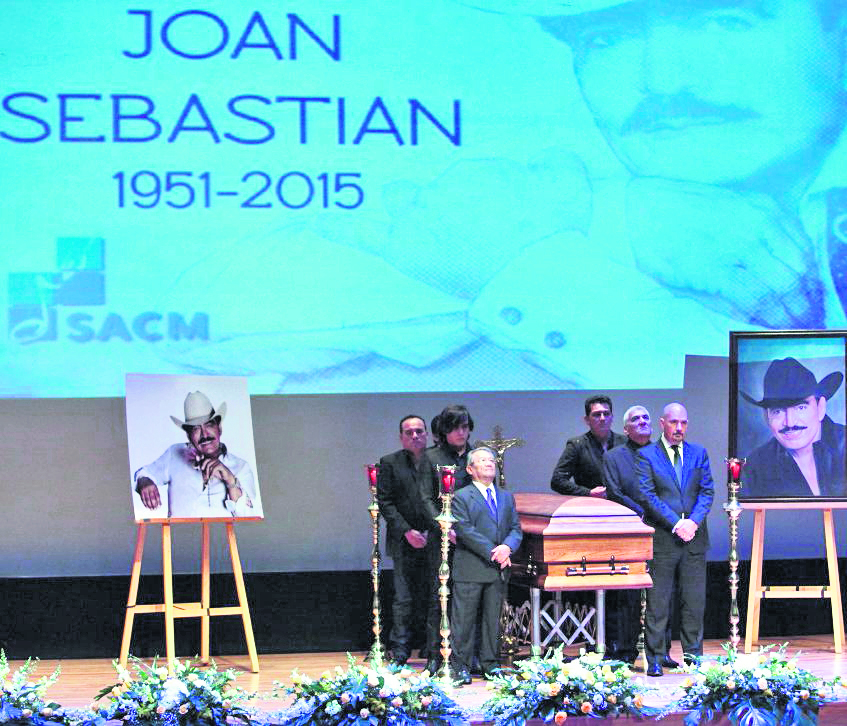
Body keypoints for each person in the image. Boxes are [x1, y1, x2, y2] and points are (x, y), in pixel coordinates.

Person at [636, 402, 713, 677]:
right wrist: (676, 522)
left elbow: (707, 492)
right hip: (664, 538)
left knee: (694, 602)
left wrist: (692, 522)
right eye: (673, 423)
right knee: (658, 602)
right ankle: (655, 658)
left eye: (683, 423)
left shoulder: (699, 453)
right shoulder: (647, 456)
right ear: (662, 423)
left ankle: (694, 657)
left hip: (694, 537)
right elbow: (648, 496)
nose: (679, 428)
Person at [449, 447, 523, 685]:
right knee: (464, 620)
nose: (489, 463)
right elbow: (465, 530)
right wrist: (496, 552)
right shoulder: (461, 496)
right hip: (471, 566)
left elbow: (515, 529)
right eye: (482, 460)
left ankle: (490, 664)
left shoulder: (506, 496)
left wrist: (508, 548)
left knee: (493, 620)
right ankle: (460, 666)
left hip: (497, 569)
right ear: (470, 469)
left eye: (491, 460)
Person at [134, 391, 259, 518]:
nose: (204, 435)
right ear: (188, 435)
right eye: (195, 429)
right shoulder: (174, 454)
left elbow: (248, 516)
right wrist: (144, 482)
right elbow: (143, 474)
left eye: (209, 424)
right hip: (179, 536)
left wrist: (230, 480)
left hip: (221, 536)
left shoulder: (241, 467)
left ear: (219, 428)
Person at [376, 415, 439, 665]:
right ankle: (400, 650)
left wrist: (430, 531)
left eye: (419, 431)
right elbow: (386, 502)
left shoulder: (437, 460)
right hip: (403, 540)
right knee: (403, 597)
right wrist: (407, 531)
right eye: (409, 432)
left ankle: (433, 648)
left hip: (434, 538)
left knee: (435, 596)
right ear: (401, 436)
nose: (415, 436)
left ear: (427, 434)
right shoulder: (389, 463)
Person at [419, 404, 476, 674]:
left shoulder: (477, 457)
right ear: (444, 430)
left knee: (467, 598)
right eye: (455, 427)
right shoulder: (431, 458)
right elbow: (425, 498)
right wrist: (444, 527)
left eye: (465, 426)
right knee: (438, 596)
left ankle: (466, 656)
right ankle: (434, 654)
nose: (461, 432)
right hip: (442, 537)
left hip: (472, 538)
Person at [742, 357, 847, 497]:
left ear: (820, 408)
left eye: (801, 407)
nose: (790, 422)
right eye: (778, 411)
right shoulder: (756, 467)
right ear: (767, 417)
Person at [551, 395, 626, 497]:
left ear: (612, 417)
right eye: (597, 414)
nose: (603, 418)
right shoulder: (577, 445)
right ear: (587, 420)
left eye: (606, 414)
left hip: (624, 506)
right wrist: (588, 492)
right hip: (590, 506)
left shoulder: (625, 443)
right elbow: (557, 481)